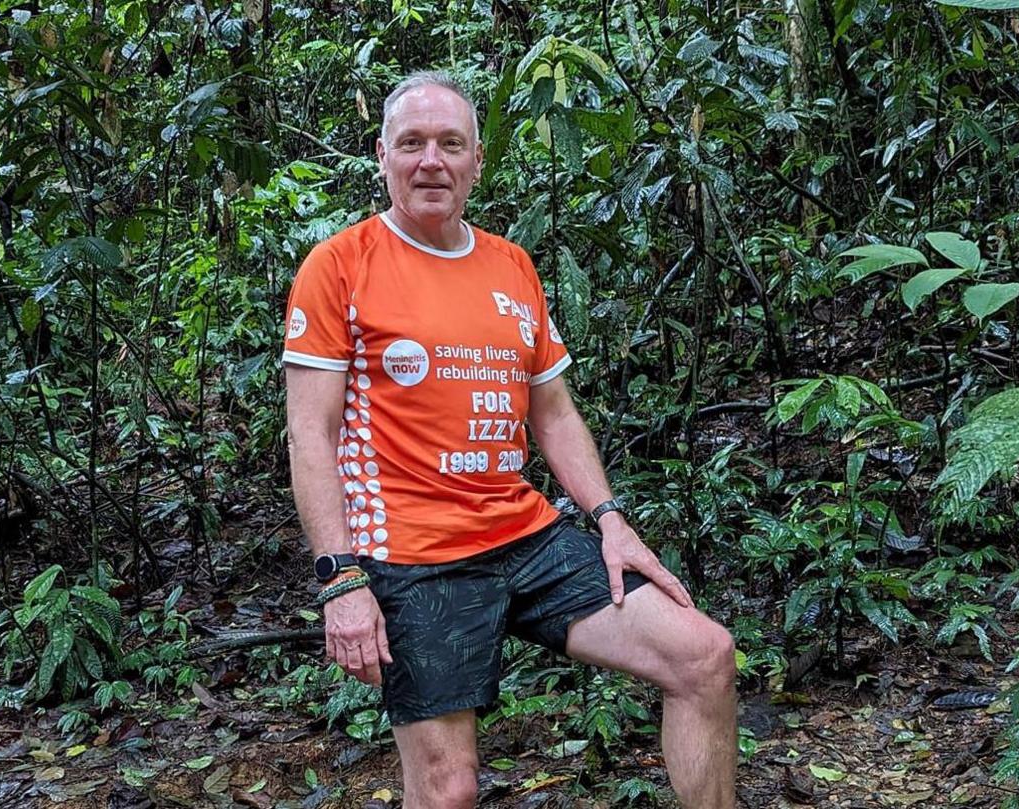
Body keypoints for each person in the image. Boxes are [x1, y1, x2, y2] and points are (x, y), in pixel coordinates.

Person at [282, 70, 737, 809]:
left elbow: (552, 413)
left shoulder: (510, 264)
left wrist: (611, 521)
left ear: (477, 160)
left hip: (524, 533)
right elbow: (311, 430)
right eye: (413, 143)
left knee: (705, 656)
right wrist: (341, 579)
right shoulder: (340, 265)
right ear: (382, 155)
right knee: (450, 788)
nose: (432, 160)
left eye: (450, 143)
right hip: (411, 553)